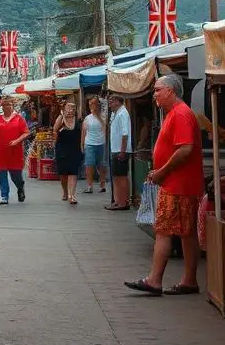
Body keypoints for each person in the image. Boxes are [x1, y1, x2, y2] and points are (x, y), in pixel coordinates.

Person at [125, 74, 203, 296]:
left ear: (171, 91)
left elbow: (185, 149)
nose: (155, 94)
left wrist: (162, 171)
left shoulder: (180, 114)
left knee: (164, 231)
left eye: (158, 90)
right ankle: (189, 280)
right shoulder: (175, 114)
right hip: (178, 183)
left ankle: (155, 280)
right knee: (186, 233)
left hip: (177, 184)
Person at [0, 95, 31, 205]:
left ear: (13, 106)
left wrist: (17, 141)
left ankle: (20, 186)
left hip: (15, 153)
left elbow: (26, 132)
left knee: (15, 175)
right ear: (1, 106)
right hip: (1, 152)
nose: (6, 107)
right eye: (4, 104)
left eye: (9, 104)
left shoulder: (19, 118)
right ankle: (4, 195)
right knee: (2, 174)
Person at [105, 95, 133, 211]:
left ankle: (123, 202)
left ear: (118, 102)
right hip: (115, 149)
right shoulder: (115, 113)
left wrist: (122, 151)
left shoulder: (123, 113)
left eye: (112, 102)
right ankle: (117, 200)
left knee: (121, 177)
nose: (110, 104)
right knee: (116, 176)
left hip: (120, 150)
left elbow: (125, 134)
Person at [54, 100, 83, 204]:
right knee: (63, 174)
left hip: (75, 149)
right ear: (64, 109)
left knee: (73, 172)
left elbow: (83, 134)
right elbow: (55, 130)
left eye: (73, 109)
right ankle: (65, 192)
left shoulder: (79, 120)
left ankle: (72, 195)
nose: (70, 111)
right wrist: (62, 116)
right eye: (68, 108)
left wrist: (82, 147)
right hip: (62, 149)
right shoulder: (60, 118)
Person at [82, 97, 108, 194]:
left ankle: (102, 184)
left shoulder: (103, 117)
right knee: (89, 165)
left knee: (101, 165)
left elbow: (105, 129)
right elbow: (83, 132)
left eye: (94, 104)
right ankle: (89, 186)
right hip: (89, 144)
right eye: (91, 104)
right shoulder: (87, 118)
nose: (92, 106)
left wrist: (97, 115)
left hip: (100, 143)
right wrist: (82, 144)